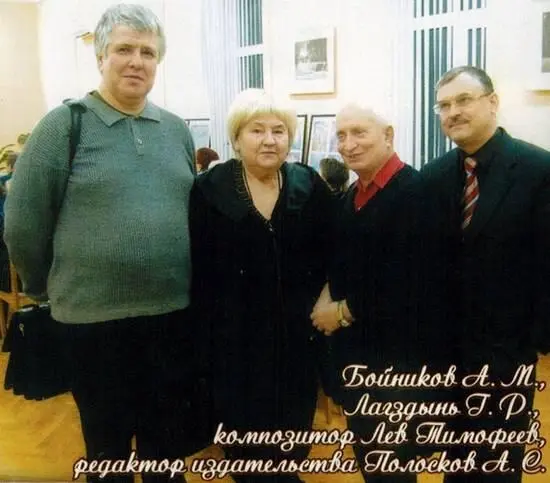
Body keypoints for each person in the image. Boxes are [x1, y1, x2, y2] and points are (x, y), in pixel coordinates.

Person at [4, 4, 196, 482]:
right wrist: (43, 287)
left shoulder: (176, 130)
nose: (136, 61)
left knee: (166, 443)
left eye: (147, 52)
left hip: (170, 315)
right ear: (100, 56)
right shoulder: (64, 125)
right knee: (107, 447)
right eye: (124, 49)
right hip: (92, 322)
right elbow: (24, 225)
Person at [189, 88, 334, 483]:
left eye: (279, 130)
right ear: (236, 139)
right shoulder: (209, 189)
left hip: (296, 342)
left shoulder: (308, 184)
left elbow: (337, 249)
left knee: (292, 439)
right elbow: (198, 271)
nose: (270, 140)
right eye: (257, 130)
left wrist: (327, 294)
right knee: (246, 448)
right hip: (234, 346)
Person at [421, 65, 550, 482]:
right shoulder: (434, 175)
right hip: (447, 354)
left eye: (463, 100)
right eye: (443, 105)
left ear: (492, 102)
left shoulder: (538, 169)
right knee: (456, 461)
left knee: (497, 463)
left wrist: (536, 340)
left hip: (506, 353)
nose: (452, 112)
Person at [310, 103, 438, 483]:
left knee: (393, 468)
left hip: (398, 367)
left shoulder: (417, 194)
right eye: (341, 135)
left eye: (359, 133)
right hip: (359, 363)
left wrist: (342, 313)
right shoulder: (352, 196)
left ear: (388, 135)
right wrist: (327, 296)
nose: (348, 144)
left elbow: (415, 283)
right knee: (372, 462)